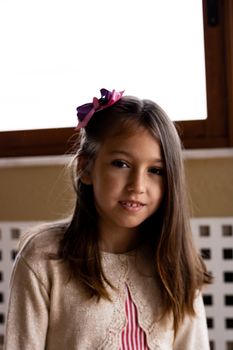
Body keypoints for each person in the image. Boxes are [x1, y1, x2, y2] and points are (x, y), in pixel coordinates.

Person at [4, 88, 212, 349]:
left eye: (155, 170)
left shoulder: (176, 265)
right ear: (85, 168)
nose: (138, 185)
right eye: (121, 164)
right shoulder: (43, 257)